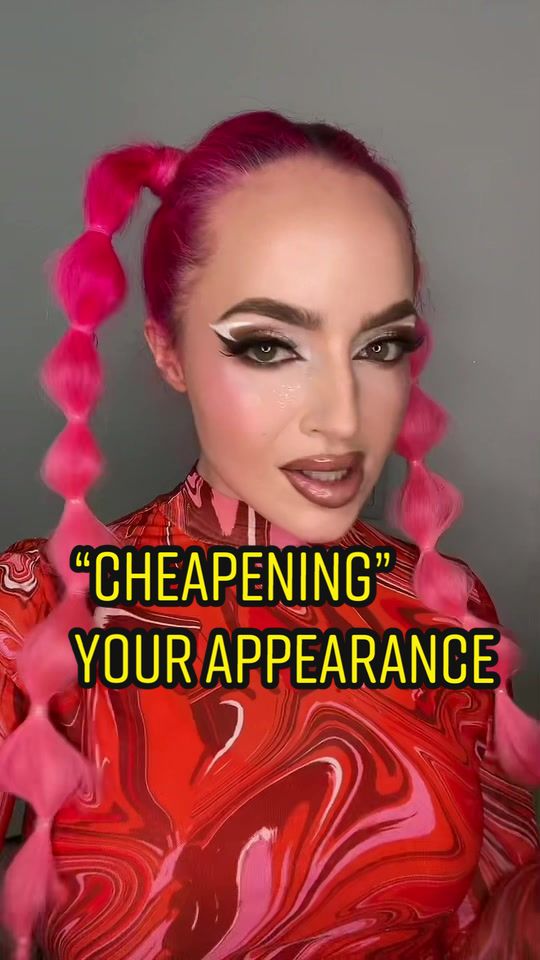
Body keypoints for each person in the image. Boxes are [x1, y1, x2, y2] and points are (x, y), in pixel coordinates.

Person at [0, 110, 538, 960]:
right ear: (168, 353)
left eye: (380, 345)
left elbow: (494, 913)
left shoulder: (445, 606)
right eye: (269, 347)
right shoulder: (38, 610)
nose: (344, 418)